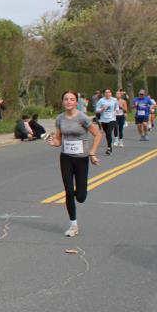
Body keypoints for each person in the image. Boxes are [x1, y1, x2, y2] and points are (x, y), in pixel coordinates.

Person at [48, 91, 103, 238]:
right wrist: (54, 142)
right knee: (68, 191)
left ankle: (80, 192)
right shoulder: (60, 118)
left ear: (76, 102)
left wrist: (92, 153)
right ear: (62, 102)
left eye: (72, 99)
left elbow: (98, 134)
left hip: (81, 159)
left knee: (80, 197)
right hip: (66, 157)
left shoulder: (82, 118)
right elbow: (58, 140)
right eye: (66, 99)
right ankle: (73, 225)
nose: (68, 102)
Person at [94, 89, 118, 155]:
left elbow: (117, 107)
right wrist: (102, 109)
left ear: (111, 93)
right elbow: (96, 110)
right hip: (103, 119)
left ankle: (109, 148)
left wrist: (115, 111)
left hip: (112, 119)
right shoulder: (101, 101)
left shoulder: (114, 100)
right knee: (107, 134)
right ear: (104, 94)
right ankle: (109, 146)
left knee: (109, 132)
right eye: (106, 92)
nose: (107, 94)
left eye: (109, 92)